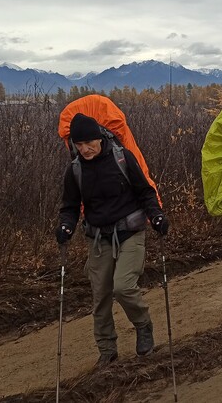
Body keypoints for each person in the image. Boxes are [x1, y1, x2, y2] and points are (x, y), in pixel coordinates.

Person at [56, 113, 170, 368]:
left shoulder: (121, 157)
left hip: (130, 232)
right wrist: (65, 225)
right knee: (101, 297)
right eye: (79, 144)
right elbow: (70, 206)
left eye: (89, 143)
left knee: (123, 287)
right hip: (98, 237)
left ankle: (143, 326)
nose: (84, 149)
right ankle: (107, 350)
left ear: (99, 138)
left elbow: (145, 192)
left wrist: (157, 216)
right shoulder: (75, 170)